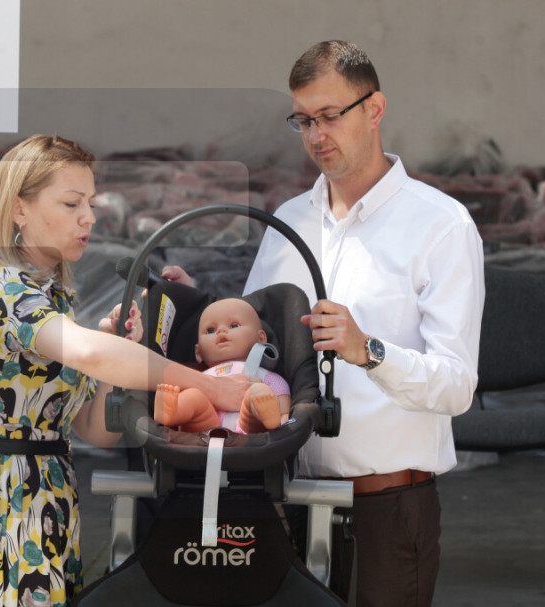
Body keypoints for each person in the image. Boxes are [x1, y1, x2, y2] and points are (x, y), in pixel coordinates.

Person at [163, 41, 484, 606]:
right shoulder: (289, 220)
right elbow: (252, 344)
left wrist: (369, 351)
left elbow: (457, 386)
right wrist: (193, 307)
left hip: (386, 508)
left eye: (330, 115)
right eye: (304, 120)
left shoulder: (440, 225)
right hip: (282, 499)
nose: (316, 135)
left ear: (375, 109)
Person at [0, 134, 251, 607]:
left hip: (43, 507)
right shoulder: (1, 288)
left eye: (90, 203)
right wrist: (209, 387)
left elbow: (95, 430)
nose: (88, 217)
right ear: (19, 209)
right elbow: (90, 354)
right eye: (71, 203)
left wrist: (117, 346)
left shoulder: (51, 299)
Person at [154, 297, 291, 434]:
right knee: (193, 396)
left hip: (248, 430)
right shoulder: (199, 378)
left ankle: (269, 413)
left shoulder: (261, 374)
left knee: (257, 393)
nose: (221, 331)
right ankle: (172, 411)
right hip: (206, 430)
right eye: (210, 331)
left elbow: (279, 387)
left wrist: (284, 414)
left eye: (234, 326)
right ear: (198, 352)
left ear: (260, 338)